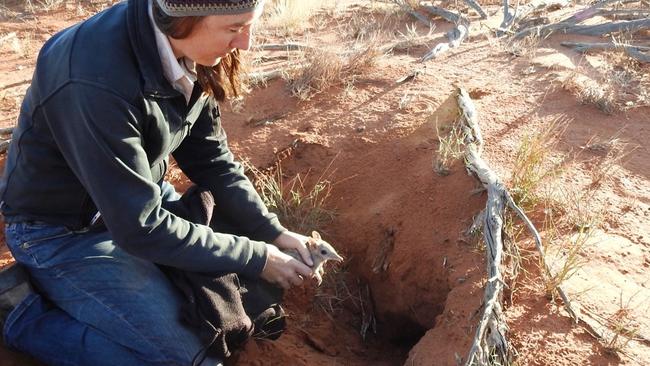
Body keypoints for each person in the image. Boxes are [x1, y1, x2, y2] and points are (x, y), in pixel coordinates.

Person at [0, 0, 315, 364]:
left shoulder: (183, 48)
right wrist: (256, 255)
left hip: (136, 198)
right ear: (183, 20)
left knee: (236, 313)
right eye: (234, 29)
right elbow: (140, 228)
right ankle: (22, 316)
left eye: (249, 25)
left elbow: (211, 158)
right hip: (62, 233)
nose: (245, 42)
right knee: (192, 359)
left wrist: (272, 232)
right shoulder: (92, 78)